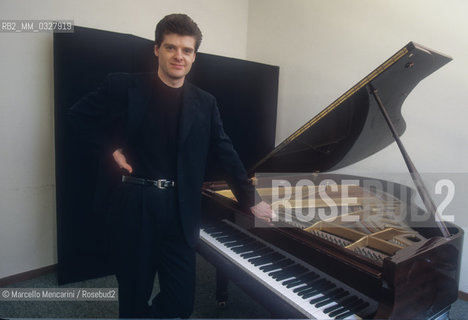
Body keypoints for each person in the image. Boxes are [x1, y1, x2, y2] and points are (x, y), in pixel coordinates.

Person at [69, 13, 273, 318]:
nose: (179, 56)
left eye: (187, 50)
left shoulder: (205, 103)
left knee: (180, 303)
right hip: (134, 206)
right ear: (157, 49)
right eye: (171, 47)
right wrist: (108, 150)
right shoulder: (124, 86)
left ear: (194, 56)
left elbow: (224, 150)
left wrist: (250, 197)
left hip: (180, 210)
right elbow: (77, 116)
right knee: (133, 296)